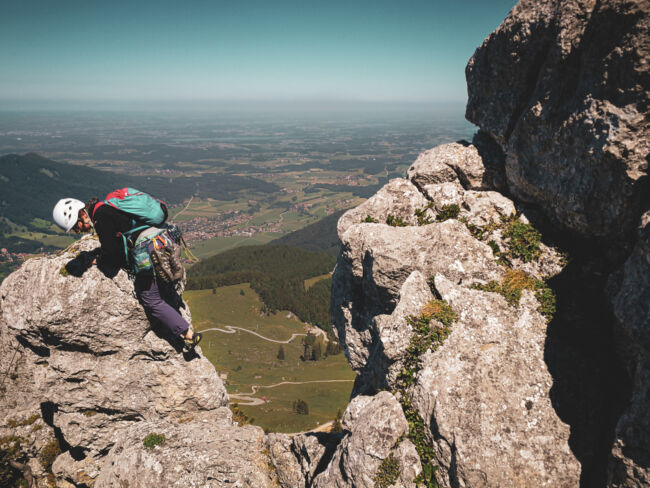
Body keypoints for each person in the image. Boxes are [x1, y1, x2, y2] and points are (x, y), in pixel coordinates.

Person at [52, 197, 202, 349]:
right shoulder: (107, 207)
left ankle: (188, 335)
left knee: (150, 298)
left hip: (150, 250)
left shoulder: (100, 218)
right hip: (163, 239)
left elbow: (113, 254)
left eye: (76, 227)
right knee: (161, 285)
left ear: (82, 215)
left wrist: (98, 260)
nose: (78, 231)